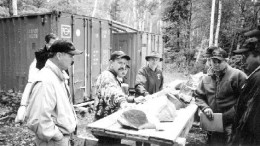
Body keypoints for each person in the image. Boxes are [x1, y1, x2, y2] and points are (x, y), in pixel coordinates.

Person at [25, 40, 83, 146]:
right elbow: (37, 119)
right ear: (59, 55)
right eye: (71, 56)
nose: (73, 60)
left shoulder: (58, 76)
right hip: (53, 141)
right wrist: (58, 137)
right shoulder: (46, 80)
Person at [194, 46, 247, 146]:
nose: (216, 64)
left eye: (219, 61)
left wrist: (232, 114)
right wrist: (205, 108)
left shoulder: (237, 75)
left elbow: (246, 99)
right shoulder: (206, 79)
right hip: (213, 123)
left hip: (232, 124)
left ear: (226, 61)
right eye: (214, 61)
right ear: (210, 61)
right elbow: (198, 96)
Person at [93, 50, 133, 144]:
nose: (123, 66)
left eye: (124, 63)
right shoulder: (107, 76)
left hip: (109, 123)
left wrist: (132, 99)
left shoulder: (114, 77)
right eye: (119, 63)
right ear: (111, 63)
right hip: (104, 124)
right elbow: (112, 92)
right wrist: (123, 102)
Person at [231, 31, 260, 145]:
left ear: (257, 54)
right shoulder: (255, 75)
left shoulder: (258, 78)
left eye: (246, 56)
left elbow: (251, 117)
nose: (243, 61)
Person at [134, 51, 164, 146]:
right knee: (140, 126)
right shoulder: (143, 71)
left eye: (157, 59)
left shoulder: (159, 72)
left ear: (159, 61)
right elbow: (139, 85)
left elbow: (161, 87)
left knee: (150, 126)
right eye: (152, 59)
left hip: (153, 103)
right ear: (148, 60)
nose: (154, 61)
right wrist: (146, 94)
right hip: (143, 101)